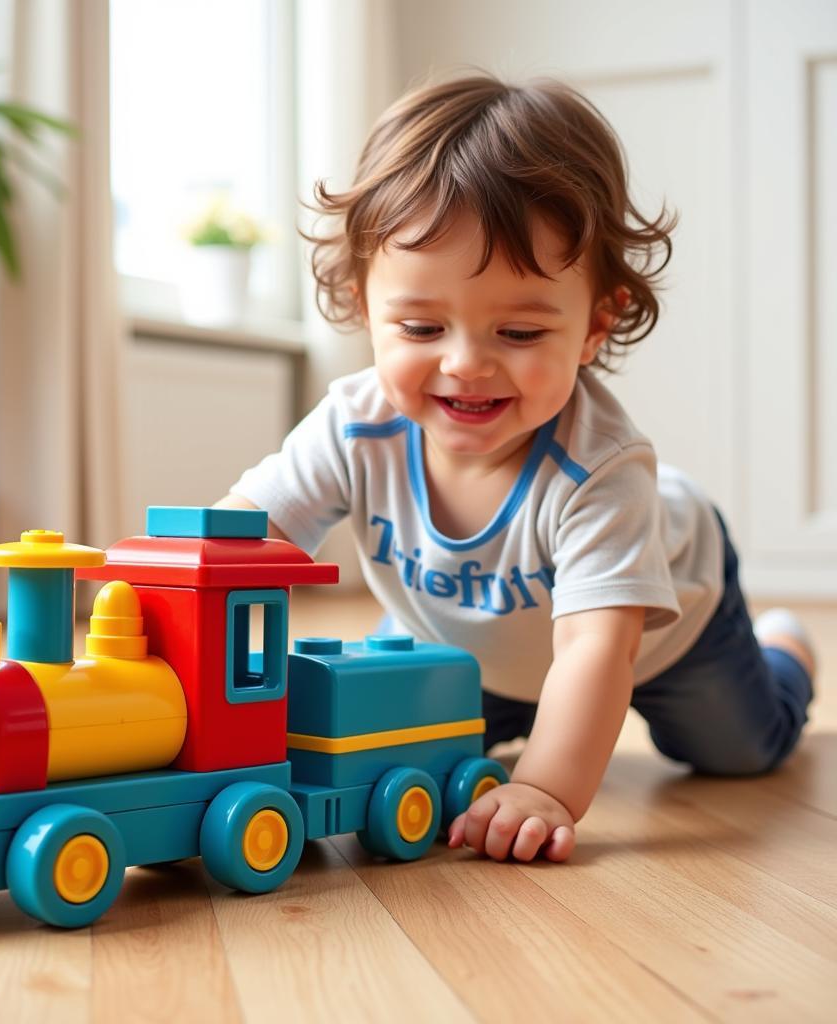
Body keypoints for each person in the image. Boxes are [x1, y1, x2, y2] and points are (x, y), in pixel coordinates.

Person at [215, 72, 815, 863]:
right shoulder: (353, 426)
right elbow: (237, 542)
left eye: (521, 334)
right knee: (390, 737)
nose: (466, 365)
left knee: (739, 752)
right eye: (423, 326)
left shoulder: (600, 469)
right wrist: (152, 602)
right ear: (365, 306)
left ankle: (787, 653)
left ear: (596, 324)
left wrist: (546, 790)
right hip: (462, 640)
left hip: (665, 629)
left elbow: (598, 653)